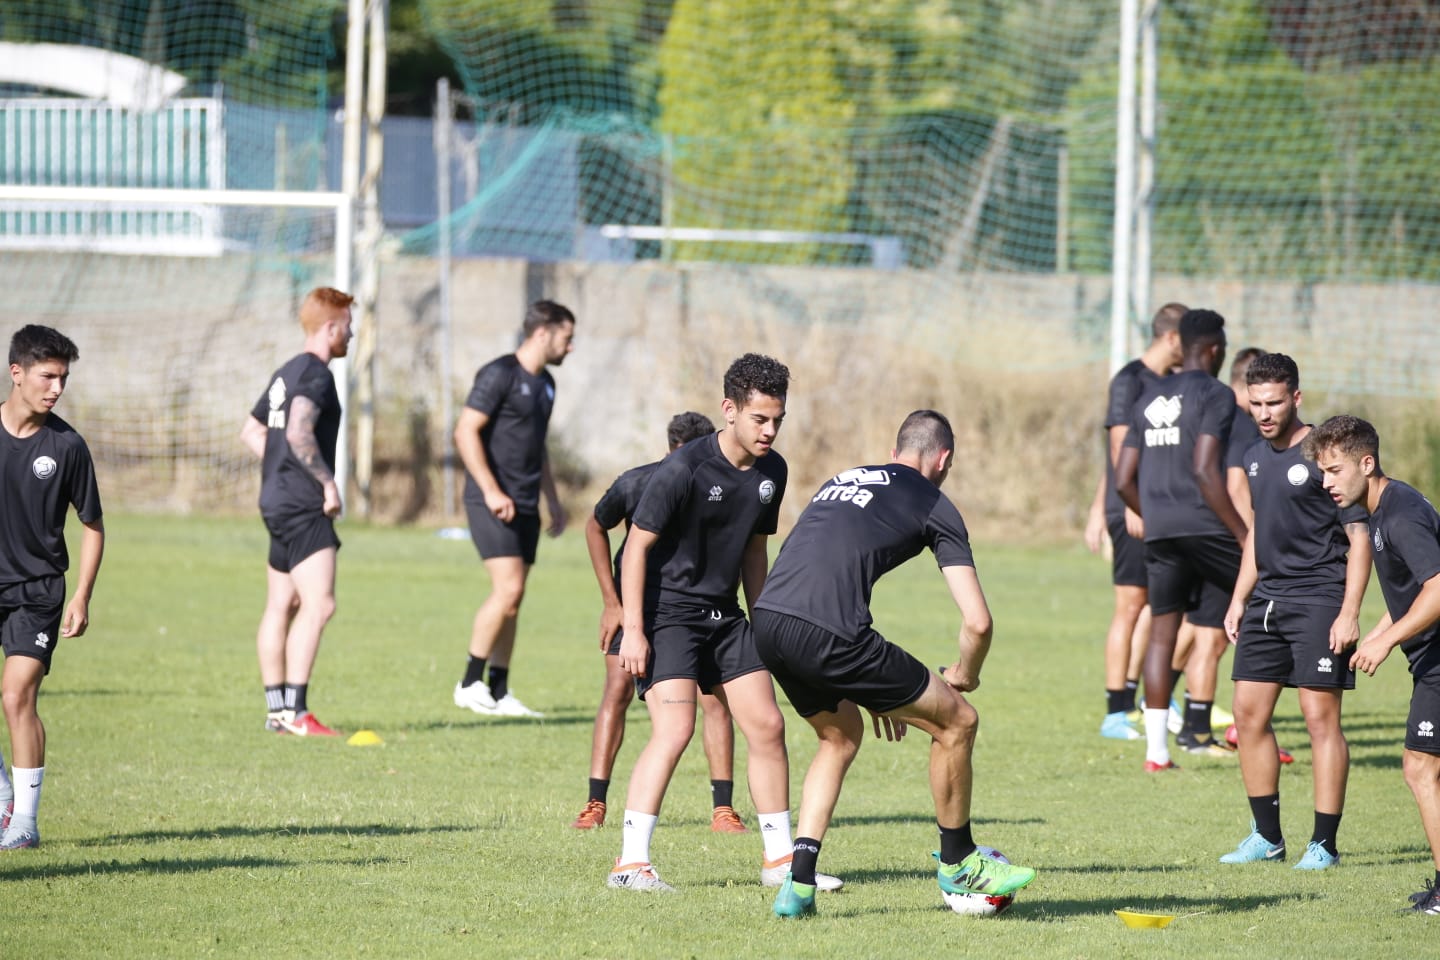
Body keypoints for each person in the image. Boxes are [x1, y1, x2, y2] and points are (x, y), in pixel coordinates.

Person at [753, 410, 1036, 919]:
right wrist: (965, 675)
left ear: (896, 448)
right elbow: (978, 624)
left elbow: (827, 562)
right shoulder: (934, 502)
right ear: (944, 459)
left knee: (839, 735)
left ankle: (797, 884)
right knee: (959, 722)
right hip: (830, 631)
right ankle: (959, 863)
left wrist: (871, 686)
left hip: (770, 623)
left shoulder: (844, 479)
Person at [606, 354, 836, 893]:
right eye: (760, 419)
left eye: (778, 419)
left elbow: (754, 551)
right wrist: (633, 630)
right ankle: (629, 865)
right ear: (729, 411)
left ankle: (779, 861)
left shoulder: (771, 471)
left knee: (768, 725)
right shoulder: (683, 469)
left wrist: (766, 626)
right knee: (676, 730)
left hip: (725, 616)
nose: (770, 431)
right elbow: (635, 549)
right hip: (668, 618)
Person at [1218, 355, 1369, 870]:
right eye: (1255, 403)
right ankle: (1267, 837)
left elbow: (1359, 535)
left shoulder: (1325, 455)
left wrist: (1350, 611)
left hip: (1321, 597)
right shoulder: (1253, 455)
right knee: (1248, 714)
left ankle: (1323, 844)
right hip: (1267, 601)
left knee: (1319, 720)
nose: (1264, 412)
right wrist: (1240, 597)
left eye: (1274, 402)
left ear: (1296, 398)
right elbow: (1258, 532)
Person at [572, 411, 747, 834]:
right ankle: (595, 802)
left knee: (714, 699)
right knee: (616, 690)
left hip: (692, 611)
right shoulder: (639, 481)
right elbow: (595, 526)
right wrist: (611, 602)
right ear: (671, 451)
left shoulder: (722, 484)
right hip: (637, 608)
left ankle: (722, 808)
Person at [1306, 416, 1440, 913]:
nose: (1327, 483)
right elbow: (1411, 592)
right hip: (1430, 657)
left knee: (1420, 767)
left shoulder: (1399, 515)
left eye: (1335, 470)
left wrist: (1386, 643)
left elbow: (1438, 589)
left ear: (1367, 463)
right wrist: (1382, 632)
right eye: (1323, 472)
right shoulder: (1383, 508)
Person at [1115, 308, 1248, 771]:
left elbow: (1121, 479)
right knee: (1267, 598)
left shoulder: (1148, 396)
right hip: (1205, 526)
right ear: (1214, 349)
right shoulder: (1217, 394)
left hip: (1162, 532)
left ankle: (1156, 752)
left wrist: (1149, 513)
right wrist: (1241, 532)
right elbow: (1205, 470)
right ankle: (1253, 726)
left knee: (1162, 635)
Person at [0, 325, 105, 850]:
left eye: (63, 378)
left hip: (38, 590)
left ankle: (25, 824)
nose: (57, 388)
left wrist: (82, 594)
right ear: (16, 373)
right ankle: (3, 796)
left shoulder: (67, 445)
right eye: (48, 376)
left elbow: (93, 525)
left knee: (17, 696)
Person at [451, 301, 574, 719]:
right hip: (492, 501)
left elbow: (536, 447)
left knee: (515, 599)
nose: (570, 347)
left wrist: (552, 500)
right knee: (508, 589)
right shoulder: (499, 373)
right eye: (566, 337)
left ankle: (499, 690)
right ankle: (469, 682)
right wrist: (489, 490)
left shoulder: (548, 385)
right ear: (543, 333)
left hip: (525, 503)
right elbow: (465, 430)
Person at [241, 287, 354, 737]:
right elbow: (300, 431)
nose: (352, 333)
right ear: (330, 327)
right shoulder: (316, 375)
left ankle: (277, 712)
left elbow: (252, 431)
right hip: (302, 501)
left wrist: (281, 469)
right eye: (348, 325)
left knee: (281, 603)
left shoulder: (286, 372)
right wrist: (326, 482)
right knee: (319, 604)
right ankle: (297, 713)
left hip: (273, 497)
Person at [1085, 302, 1185, 739]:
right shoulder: (1130, 380)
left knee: (1156, 605)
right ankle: (1115, 711)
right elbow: (1118, 450)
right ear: (1171, 337)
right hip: (1135, 507)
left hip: (1160, 510)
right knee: (1130, 606)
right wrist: (1127, 504)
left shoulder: (1176, 383)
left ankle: (1145, 697)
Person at [1168, 346, 1266, 745]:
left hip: (1189, 531)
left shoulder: (1203, 411)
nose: (1265, 410)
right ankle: (1196, 731)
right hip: (1223, 539)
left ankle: (1158, 700)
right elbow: (1237, 487)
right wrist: (1251, 541)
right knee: (1212, 635)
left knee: (1196, 628)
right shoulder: (1238, 423)